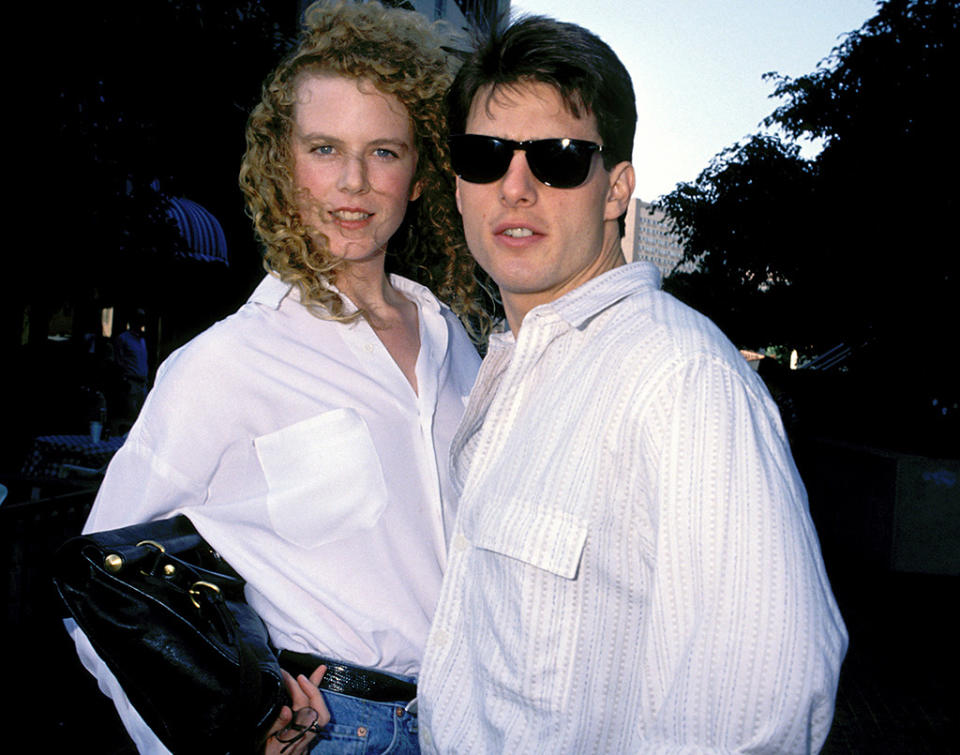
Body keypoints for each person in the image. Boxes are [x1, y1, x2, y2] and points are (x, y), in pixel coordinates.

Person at [418, 15, 848, 754]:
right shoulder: (508, 372)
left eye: (556, 158)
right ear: (458, 184)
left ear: (616, 188)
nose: (514, 187)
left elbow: (759, 715)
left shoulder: (681, 380)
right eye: (485, 156)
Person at [69, 2, 484, 752]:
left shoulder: (458, 347)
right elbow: (100, 593)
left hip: (475, 723)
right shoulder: (226, 364)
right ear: (283, 166)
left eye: (385, 151)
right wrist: (211, 734)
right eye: (325, 148)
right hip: (331, 734)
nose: (354, 182)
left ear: (421, 174)